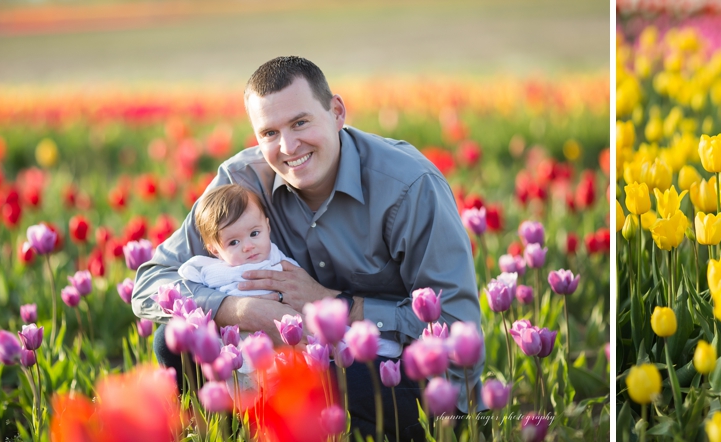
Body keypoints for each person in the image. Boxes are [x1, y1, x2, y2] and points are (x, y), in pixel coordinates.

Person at [130, 56, 482, 440]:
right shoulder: (241, 186)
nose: (288, 146)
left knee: (352, 377)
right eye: (269, 133)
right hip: (278, 362)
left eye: (300, 122)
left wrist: (334, 305)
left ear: (336, 112)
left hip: (383, 370)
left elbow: (454, 327)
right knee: (173, 339)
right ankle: (235, 432)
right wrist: (240, 310)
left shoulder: (409, 188)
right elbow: (150, 282)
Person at [179, 185, 302, 299]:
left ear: (267, 228)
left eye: (254, 234)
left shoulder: (279, 260)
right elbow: (193, 288)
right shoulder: (216, 272)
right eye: (234, 242)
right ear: (216, 251)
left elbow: (299, 285)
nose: (248, 247)